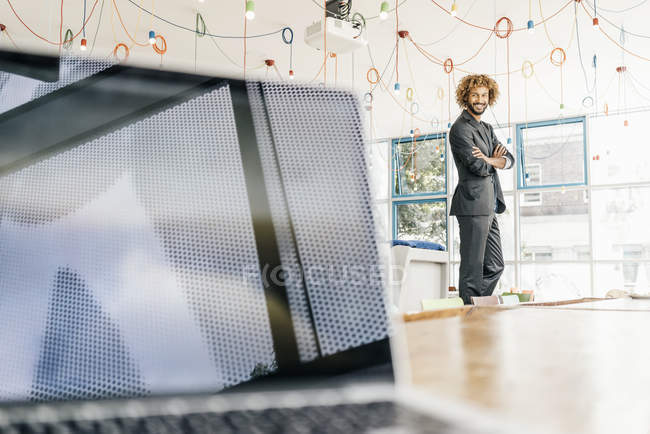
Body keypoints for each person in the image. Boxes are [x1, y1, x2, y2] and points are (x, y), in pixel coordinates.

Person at [449, 74, 514, 305]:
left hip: (490, 205)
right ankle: (469, 318)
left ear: (490, 97)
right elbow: (477, 166)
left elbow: (509, 159)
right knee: (472, 267)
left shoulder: (486, 128)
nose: (480, 99)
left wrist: (489, 158)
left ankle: (474, 306)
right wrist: (490, 161)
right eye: (475, 95)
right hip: (472, 204)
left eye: (484, 95)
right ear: (466, 96)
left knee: (496, 265)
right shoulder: (460, 129)